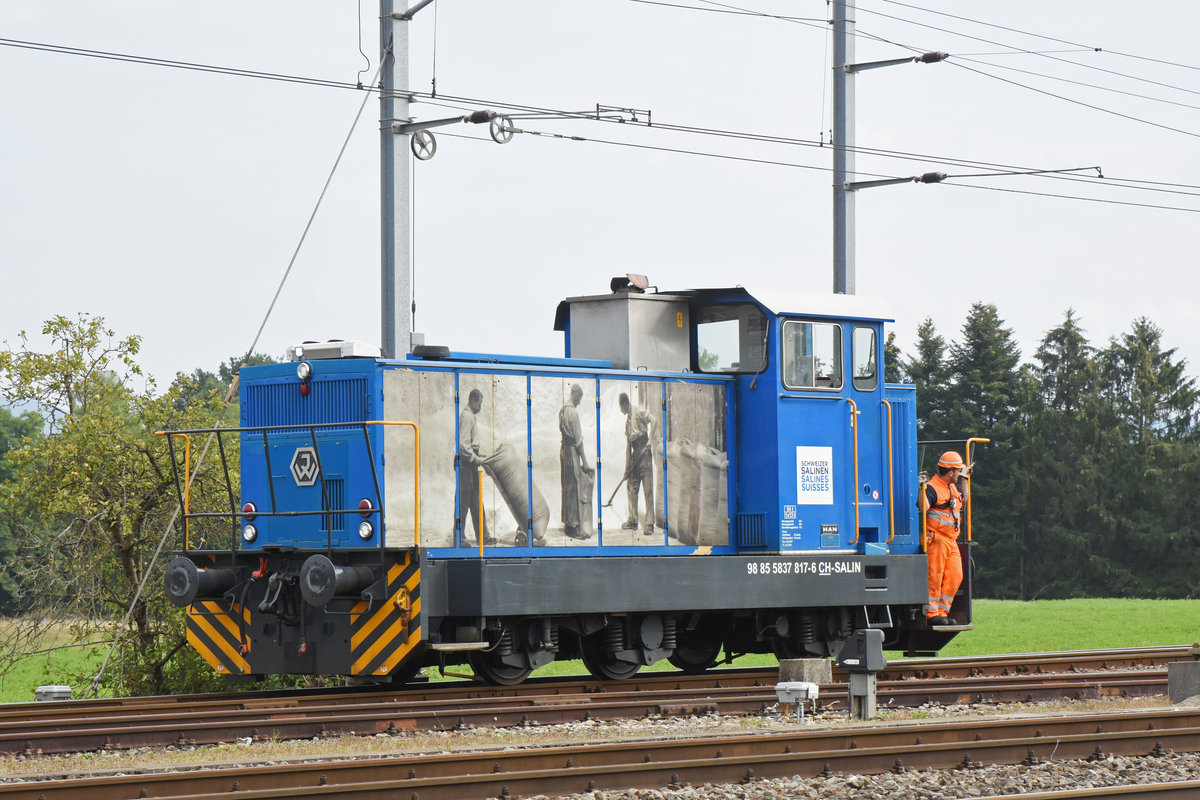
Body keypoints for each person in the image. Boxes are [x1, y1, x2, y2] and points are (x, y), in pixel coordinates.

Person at [923, 450, 968, 625]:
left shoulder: (952, 487)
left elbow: (964, 498)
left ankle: (942, 612)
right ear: (951, 472)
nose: (959, 473)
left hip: (951, 540)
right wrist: (922, 488)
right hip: (936, 538)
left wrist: (964, 478)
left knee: (956, 575)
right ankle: (932, 615)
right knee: (935, 575)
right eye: (958, 471)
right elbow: (923, 506)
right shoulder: (932, 487)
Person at [458, 388, 495, 546]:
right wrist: (475, 459)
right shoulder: (467, 417)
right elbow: (463, 445)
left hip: (470, 463)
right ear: (473, 401)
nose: (480, 407)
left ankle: (483, 536)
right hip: (466, 464)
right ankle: (459, 537)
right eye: (479, 403)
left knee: (476, 500)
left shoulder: (470, 416)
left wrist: (480, 456)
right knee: (463, 501)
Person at [559, 384, 594, 540]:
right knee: (573, 486)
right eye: (580, 397)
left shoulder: (562, 410)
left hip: (563, 450)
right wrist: (585, 461)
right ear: (576, 394)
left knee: (566, 486)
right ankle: (573, 526)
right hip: (572, 451)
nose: (580, 401)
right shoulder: (573, 412)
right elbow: (578, 441)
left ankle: (568, 522)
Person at [619, 392, 656, 535]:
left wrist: (650, 441)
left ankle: (650, 524)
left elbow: (654, 421)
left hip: (645, 452)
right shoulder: (627, 422)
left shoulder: (638, 411)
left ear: (625, 404)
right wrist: (626, 469)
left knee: (648, 489)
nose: (620, 410)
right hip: (635, 453)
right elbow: (628, 447)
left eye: (620, 407)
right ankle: (633, 521)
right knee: (632, 487)